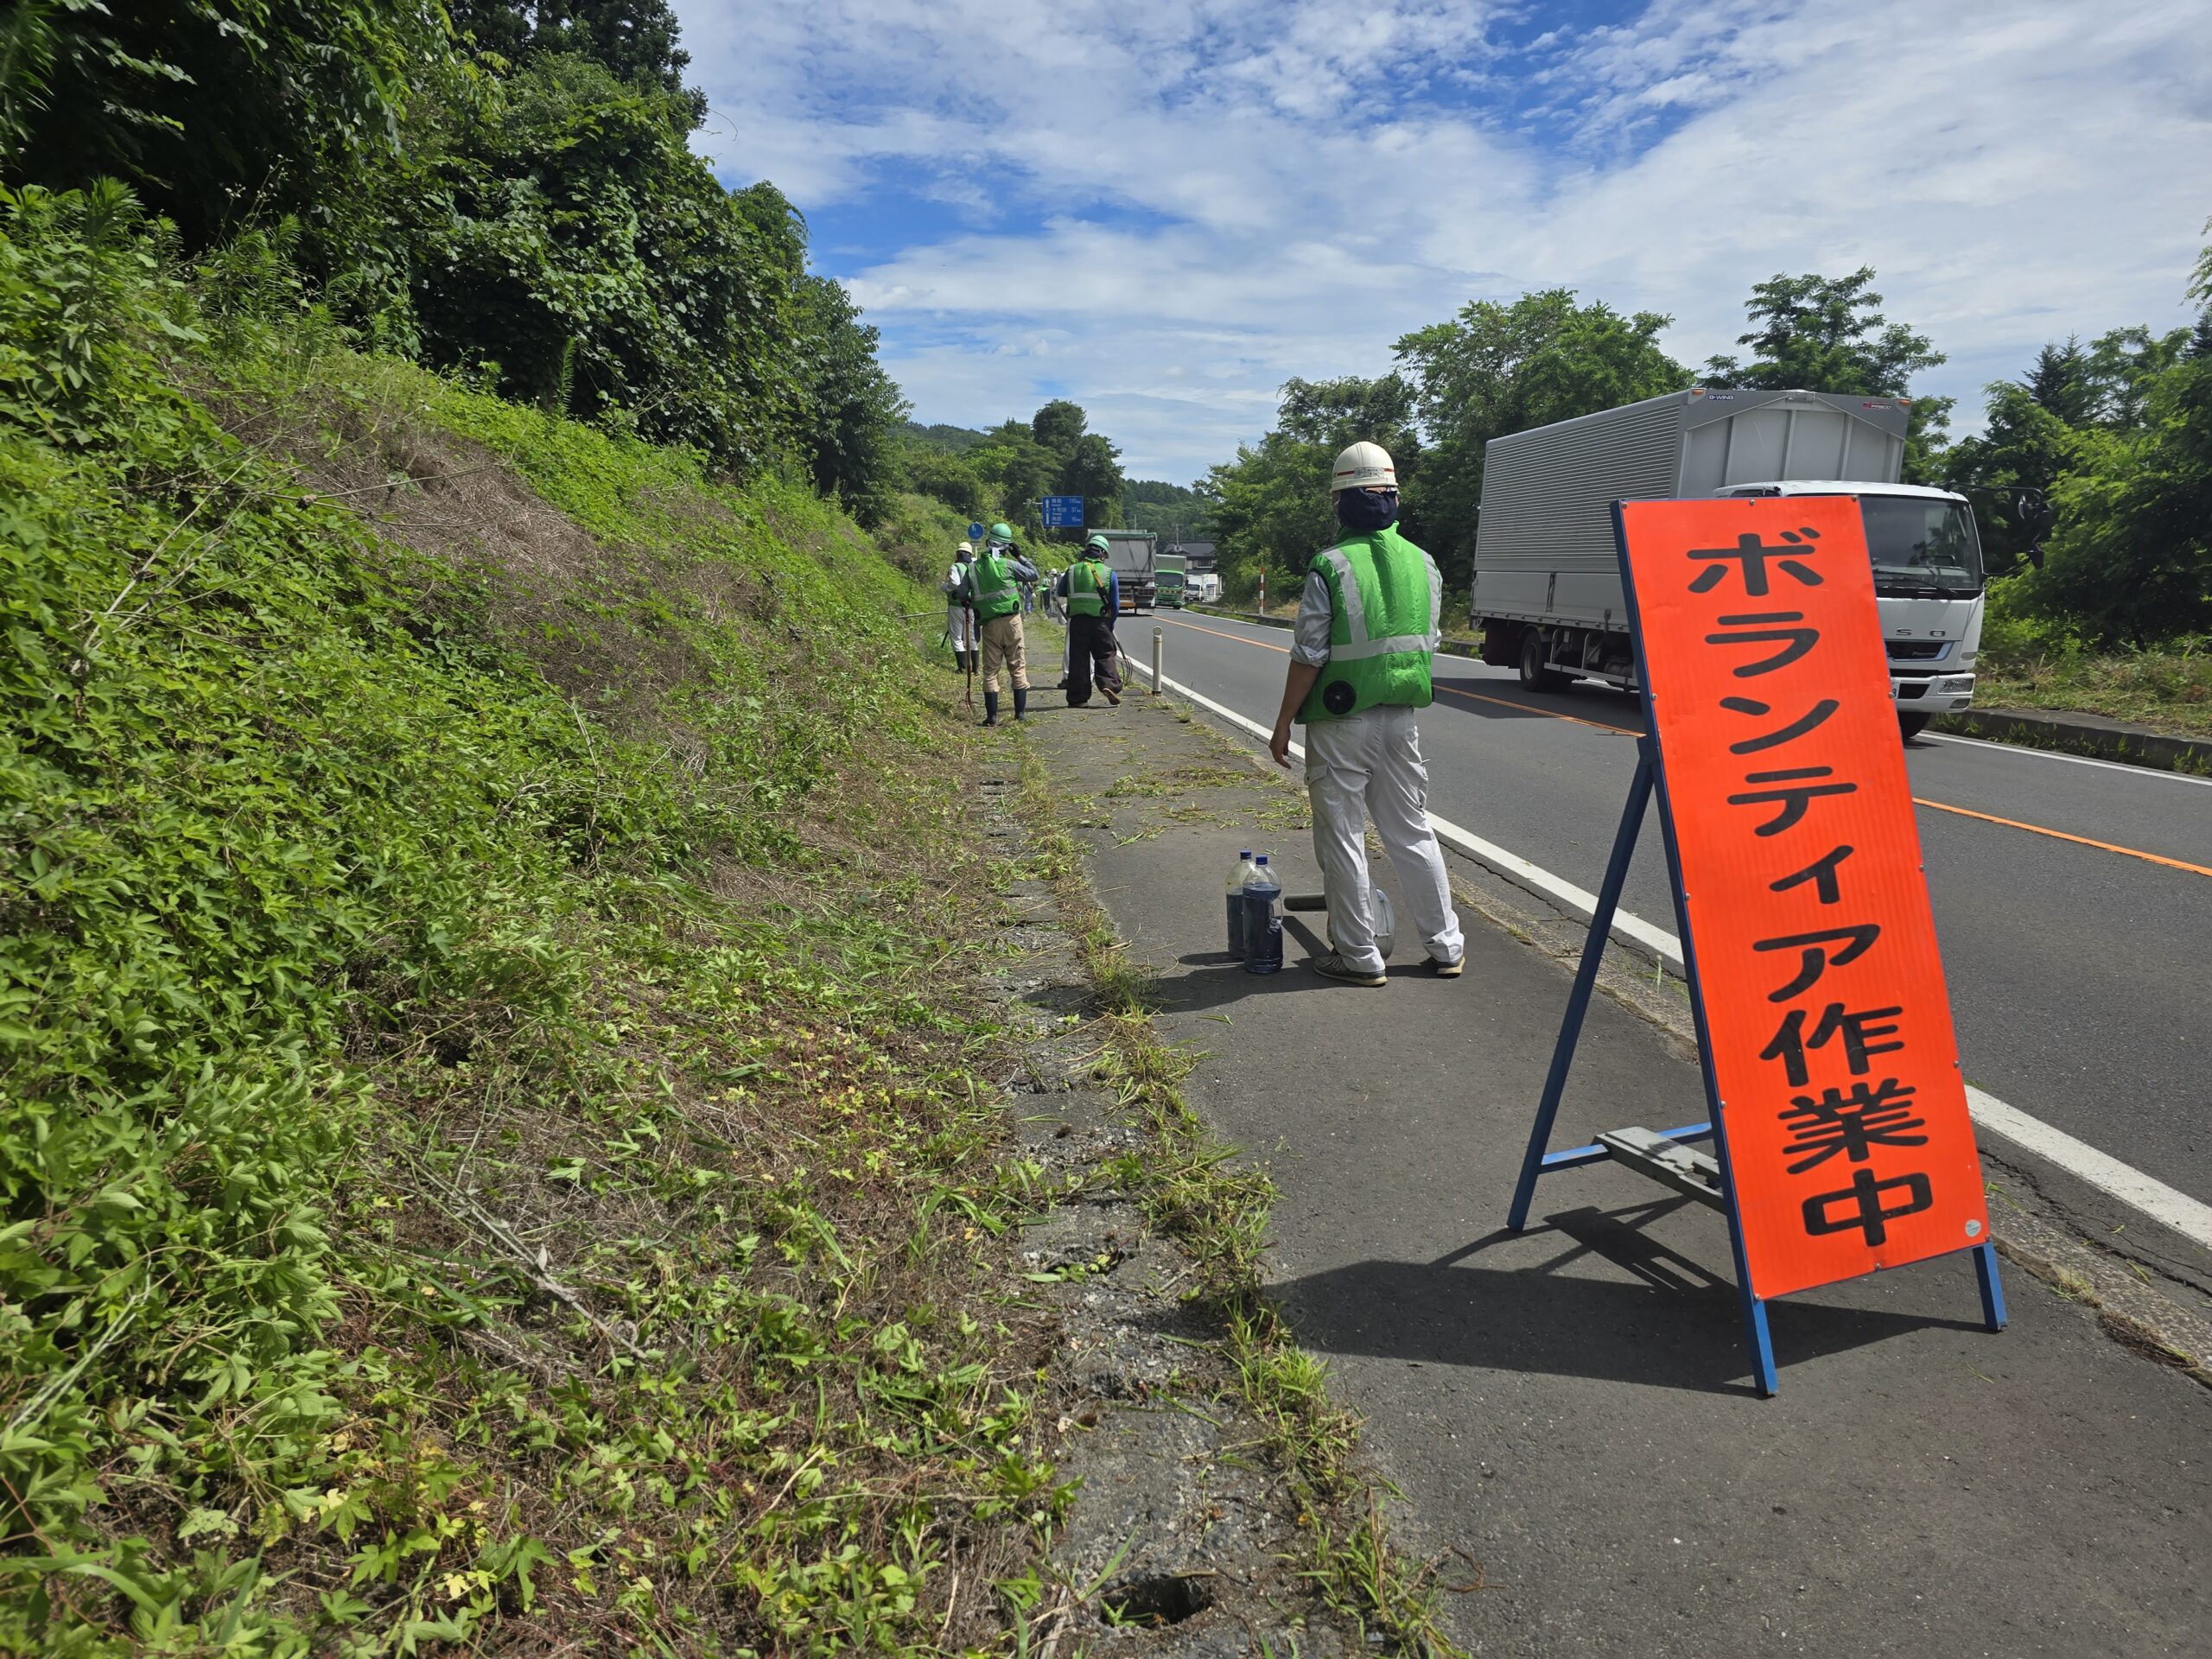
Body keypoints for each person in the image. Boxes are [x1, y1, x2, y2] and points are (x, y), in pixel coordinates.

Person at [1265, 442, 1465, 987]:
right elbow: (1430, 640)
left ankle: (1358, 956)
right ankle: (1446, 946)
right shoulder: (1425, 564)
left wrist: (1284, 720)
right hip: (1402, 719)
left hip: (1340, 720)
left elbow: (1309, 653)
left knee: (1343, 835)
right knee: (1411, 831)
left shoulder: (1330, 565)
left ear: (1340, 505)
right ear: (1393, 500)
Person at [953, 522, 1037, 727]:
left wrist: (970, 598)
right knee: (1017, 665)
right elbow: (1033, 574)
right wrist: (1020, 556)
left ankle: (991, 717)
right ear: (1007, 547)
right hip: (1012, 623)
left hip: (989, 625)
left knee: (990, 670)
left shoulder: (972, 568)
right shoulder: (1010, 565)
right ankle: (1020, 714)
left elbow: (961, 593)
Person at [1054, 533, 1124, 708]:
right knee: (1105, 654)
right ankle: (1109, 686)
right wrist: (1110, 623)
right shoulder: (1109, 574)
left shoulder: (1071, 570)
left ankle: (1078, 698)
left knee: (1079, 659)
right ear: (1102, 554)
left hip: (1078, 621)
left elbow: (1061, 591)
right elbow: (1115, 604)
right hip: (1101, 622)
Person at [942, 541, 979, 671]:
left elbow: (955, 583)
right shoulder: (974, 567)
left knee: (957, 636)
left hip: (956, 605)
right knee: (972, 637)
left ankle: (962, 668)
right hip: (972, 606)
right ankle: (975, 668)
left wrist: (946, 587)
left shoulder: (955, 567)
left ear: (958, 554)